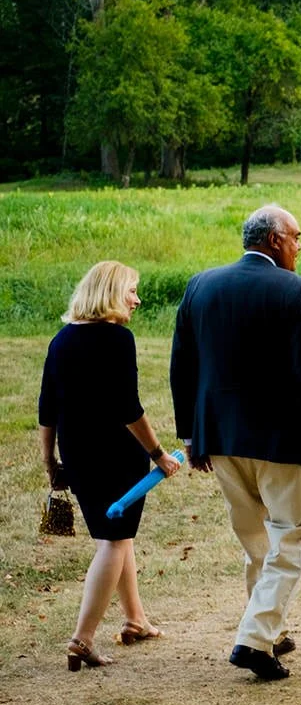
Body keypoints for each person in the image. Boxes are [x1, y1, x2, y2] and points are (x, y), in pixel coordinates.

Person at [170, 204, 301, 681]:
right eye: (295, 237)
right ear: (274, 240)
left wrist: (190, 434)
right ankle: (254, 638)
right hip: (283, 437)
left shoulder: (200, 285)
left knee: (254, 536)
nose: (299, 246)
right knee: (291, 535)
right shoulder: (296, 290)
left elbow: (182, 365)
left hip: (222, 437)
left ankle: (269, 626)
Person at [40, 261, 183, 671]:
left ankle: (136, 619)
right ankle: (82, 639)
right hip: (117, 456)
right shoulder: (118, 339)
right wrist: (159, 455)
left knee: (118, 536)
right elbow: (128, 410)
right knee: (114, 541)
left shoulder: (61, 340)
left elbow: (47, 410)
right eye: (131, 291)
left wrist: (50, 462)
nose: (137, 299)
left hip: (78, 455)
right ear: (110, 293)